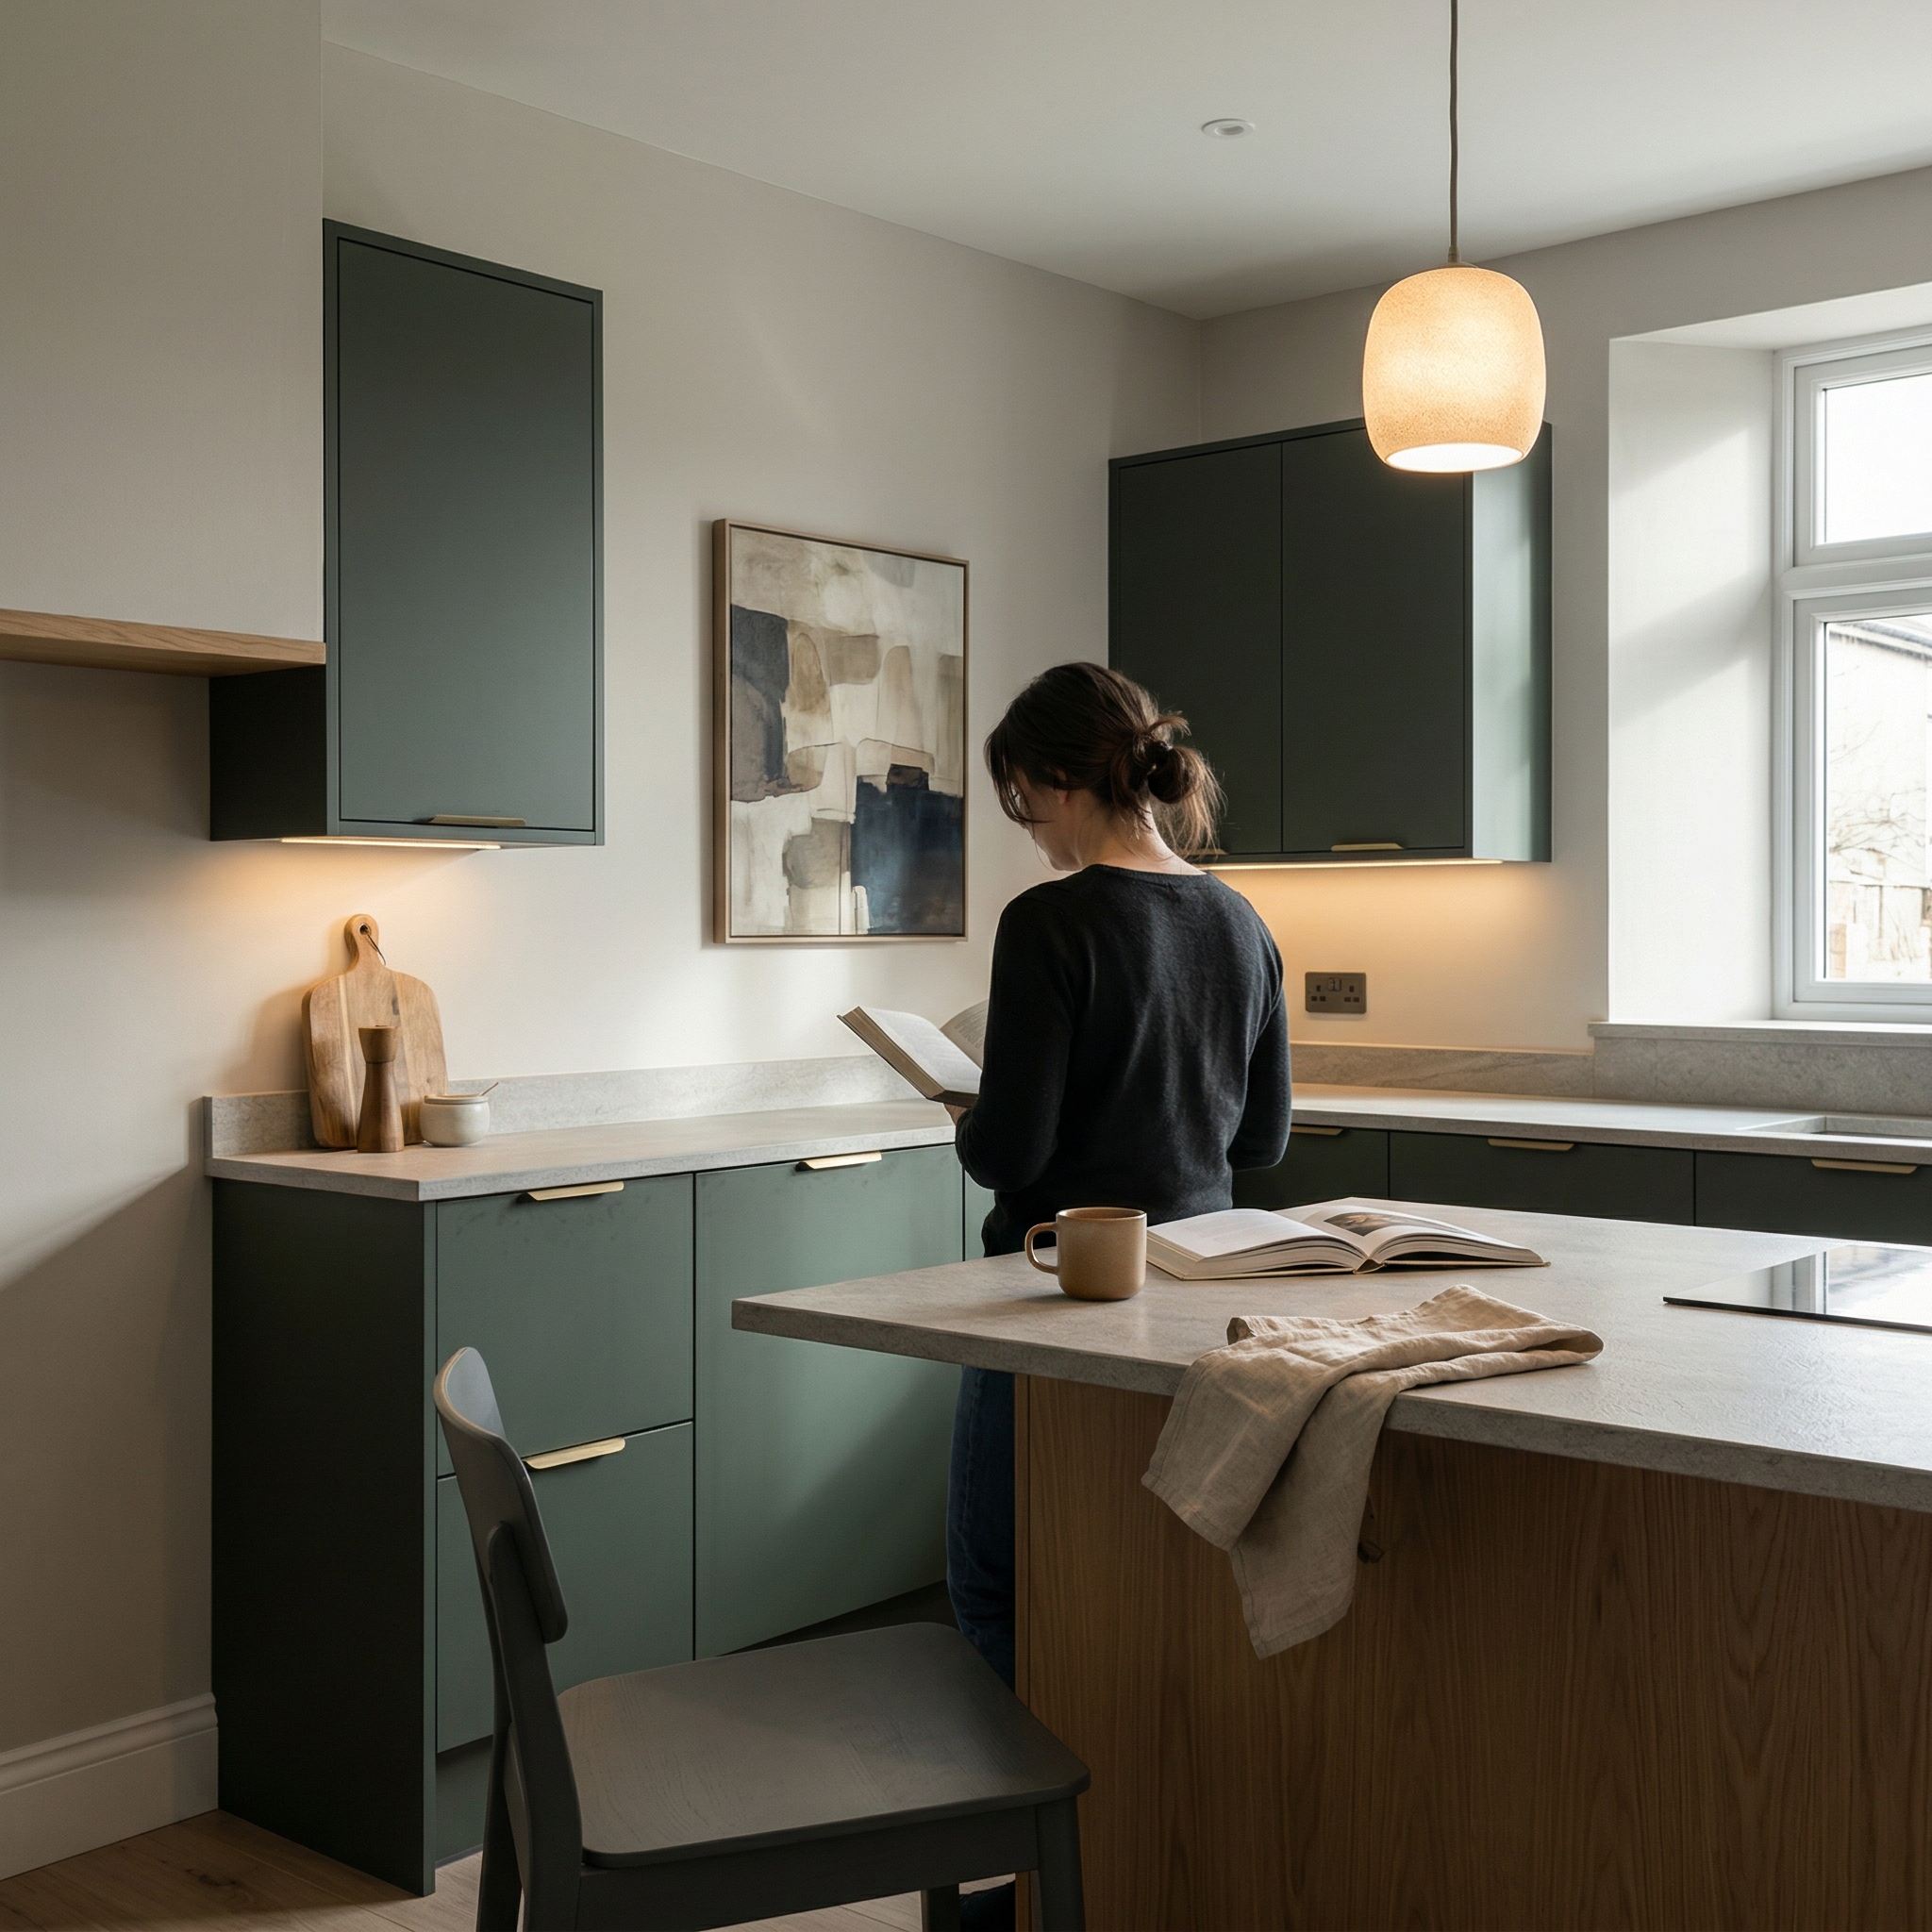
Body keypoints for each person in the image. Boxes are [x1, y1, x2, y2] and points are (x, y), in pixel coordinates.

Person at [947, 661, 1292, 1690]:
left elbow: (1008, 1155)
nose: (1032, 833)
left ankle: (1027, 1838)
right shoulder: (1241, 921)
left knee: (997, 1587)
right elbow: (1259, 1141)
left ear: (1054, 779)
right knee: (1138, 1584)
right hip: (1196, 1305)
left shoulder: (1048, 922)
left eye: (1020, 804)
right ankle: (1124, 1832)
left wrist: (968, 1112)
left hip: (1050, 1298)